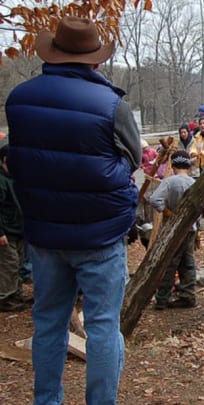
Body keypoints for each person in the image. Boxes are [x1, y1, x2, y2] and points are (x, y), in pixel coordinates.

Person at [5, 16, 140, 403]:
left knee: (48, 323)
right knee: (102, 328)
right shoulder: (111, 104)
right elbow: (131, 161)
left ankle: (46, 400)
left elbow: (23, 159)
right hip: (100, 234)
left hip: (44, 234)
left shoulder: (19, 98)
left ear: (55, 54)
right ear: (93, 61)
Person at [148, 150, 198, 309]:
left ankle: (162, 298)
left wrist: (166, 210)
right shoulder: (193, 182)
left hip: (173, 229)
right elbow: (201, 208)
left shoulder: (169, 182)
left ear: (174, 164)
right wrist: (198, 231)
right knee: (188, 262)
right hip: (190, 228)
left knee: (170, 262)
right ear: (188, 165)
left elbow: (154, 199)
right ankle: (188, 294)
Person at [0, 144, 30, 312]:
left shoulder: (15, 178)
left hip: (18, 229)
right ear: (5, 159)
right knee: (9, 265)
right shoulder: (2, 180)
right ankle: (5, 297)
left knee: (17, 263)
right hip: (6, 231)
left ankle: (16, 294)